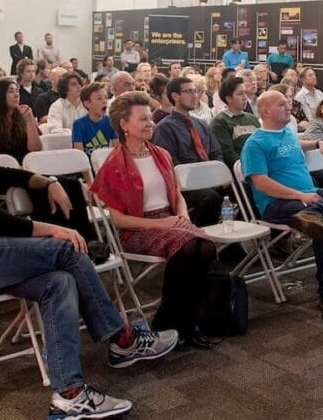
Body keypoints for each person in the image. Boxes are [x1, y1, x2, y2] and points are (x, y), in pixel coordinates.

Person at [0, 88, 176, 419]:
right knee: (67, 247)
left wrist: (49, 181)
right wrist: (53, 229)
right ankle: (124, 339)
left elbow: (6, 175)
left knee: (58, 282)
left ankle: (68, 394)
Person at [92, 91, 219, 349]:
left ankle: (182, 323)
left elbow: (177, 195)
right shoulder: (114, 164)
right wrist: (164, 224)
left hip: (172, 221)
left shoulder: (161, 153)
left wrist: (182, 217)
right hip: (138, 229)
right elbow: (119, 221)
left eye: (150, 118)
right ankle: (171, 324)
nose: (151, 123)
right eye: (143, 119)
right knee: (191, 247)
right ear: (124, 125)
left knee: (205, 246)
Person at [240, 90, 323, 321]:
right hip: (278, 205)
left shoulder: (286, 132)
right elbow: (261, 183)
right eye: (282, 104)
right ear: (265, 111)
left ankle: (314, 213)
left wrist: (317, 142)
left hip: (309, 196)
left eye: (288, 103)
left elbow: (295, 144)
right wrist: (299, 196)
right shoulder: (254, 144)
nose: (289, 107)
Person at [151, 77, 224, 226]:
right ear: (175, 96)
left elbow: (216, 153)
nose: (195, 96)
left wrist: (216, 174)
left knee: (243, 188)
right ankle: (198, 235)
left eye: (195, 91)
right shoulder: (164, 128)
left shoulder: (201, 124)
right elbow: (170, 164)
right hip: (184, 184)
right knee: (211, 198)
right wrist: (200, 177)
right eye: (189, 92)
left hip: (209, 179)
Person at [0, 78, 42, 162]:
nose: (16, 95)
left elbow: (36, 149)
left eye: (17, 91)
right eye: (11, 91)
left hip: (27, 164)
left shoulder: (23, 116)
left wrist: (29, 120)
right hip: (4, 167)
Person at [211, 77, 260, 167]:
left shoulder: (252, 118)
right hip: (240, 168)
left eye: (245, 93)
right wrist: (249, 166)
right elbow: (228, 153)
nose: (245, 98)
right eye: (240, 94)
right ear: (229, 98)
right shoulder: (220, 122)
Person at [72, 83, 118, 153]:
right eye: (99, 98)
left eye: (106, 97)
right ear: (87, 104)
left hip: (104, 159)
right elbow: (79, 154)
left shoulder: (110, 121)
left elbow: (117, 149)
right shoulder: (79, 124)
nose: (104, 101)